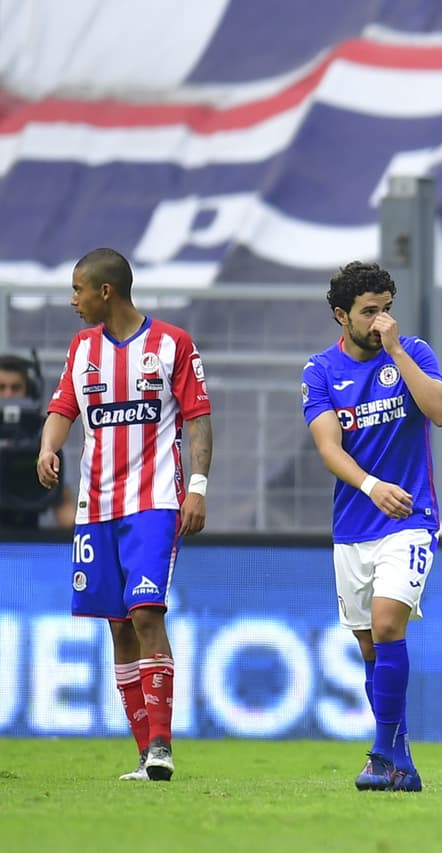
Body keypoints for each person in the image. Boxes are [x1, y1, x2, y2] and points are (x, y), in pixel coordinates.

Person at [36, 248, 213, 782]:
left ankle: (162, 745)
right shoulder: (82, 348)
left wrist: (198, 487)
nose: (73, 301)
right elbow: (63, 407)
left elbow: (199, 417)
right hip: (96, 508)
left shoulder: (171, 344)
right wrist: (49, 448)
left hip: (155, 501)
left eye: (77, 289)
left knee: (146, 614)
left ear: (104, 291)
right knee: (118, 626)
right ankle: (144, 755)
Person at [302, 261, 442, 793]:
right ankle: (400, 762)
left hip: (410, 519)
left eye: (387, 308)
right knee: (370, 649)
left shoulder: (413, 351)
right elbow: (327, 447)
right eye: (369, 312)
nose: (381, 320)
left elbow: (441, 412)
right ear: (341, 315)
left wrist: (396, 351)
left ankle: (382, 752)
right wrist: (370, 487)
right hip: (354, 525)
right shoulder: (319, 371)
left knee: (389, 626)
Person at [0, 354, 76, 530]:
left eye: (15, 388)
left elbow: (63, 504)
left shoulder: (46, 437)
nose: (8, 395)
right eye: (1, 388)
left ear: (29, 390)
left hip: (30, 539)